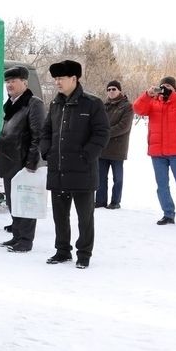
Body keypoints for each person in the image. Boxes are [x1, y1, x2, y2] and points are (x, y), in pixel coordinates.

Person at [39, 60, 109, 269]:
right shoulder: (54, 104)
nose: (57, 82)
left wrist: (86, 155)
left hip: (82, 171)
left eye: (61, 78)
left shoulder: (92, 104)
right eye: (56, 79)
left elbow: (102, 134)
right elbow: (46, 132)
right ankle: (62, 250)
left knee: (84, 217)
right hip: (58, 169)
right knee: (60, 215)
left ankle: (84, 253)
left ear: (74, 79)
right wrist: (47, 151)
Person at [132, 76, 176, 227]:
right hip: (157, 151)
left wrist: (172, 95)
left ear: (174, 88)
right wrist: (147, 95)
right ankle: (168, 214)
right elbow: (137, 109)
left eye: (169, 86)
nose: (165, 88)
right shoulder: (153, 102)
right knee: (162, 185)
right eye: (163, 86)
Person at [0, 66, 46, 253]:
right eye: (7, 81)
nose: (9, 84)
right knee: (12, 201)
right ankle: (17, 235)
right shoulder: (9, 104)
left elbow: (38, 135)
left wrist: (31, 163)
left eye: (13, 81)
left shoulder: (33, 104)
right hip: (8, 161)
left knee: (26, 202)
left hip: (23, 163)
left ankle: (25, 240)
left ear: (24, 82)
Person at [96, 80, 132, 209]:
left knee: (118, 178)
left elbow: (124, 126)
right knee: (100, 177)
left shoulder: (127, 106)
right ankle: (100, 201)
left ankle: (115, 201)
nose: (111, 91)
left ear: (120, 91)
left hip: (118, 148)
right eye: (109, 89)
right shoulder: (103, 105)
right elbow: (97, 123)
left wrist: (104, 133)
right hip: (103, 148)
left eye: (114, 89)